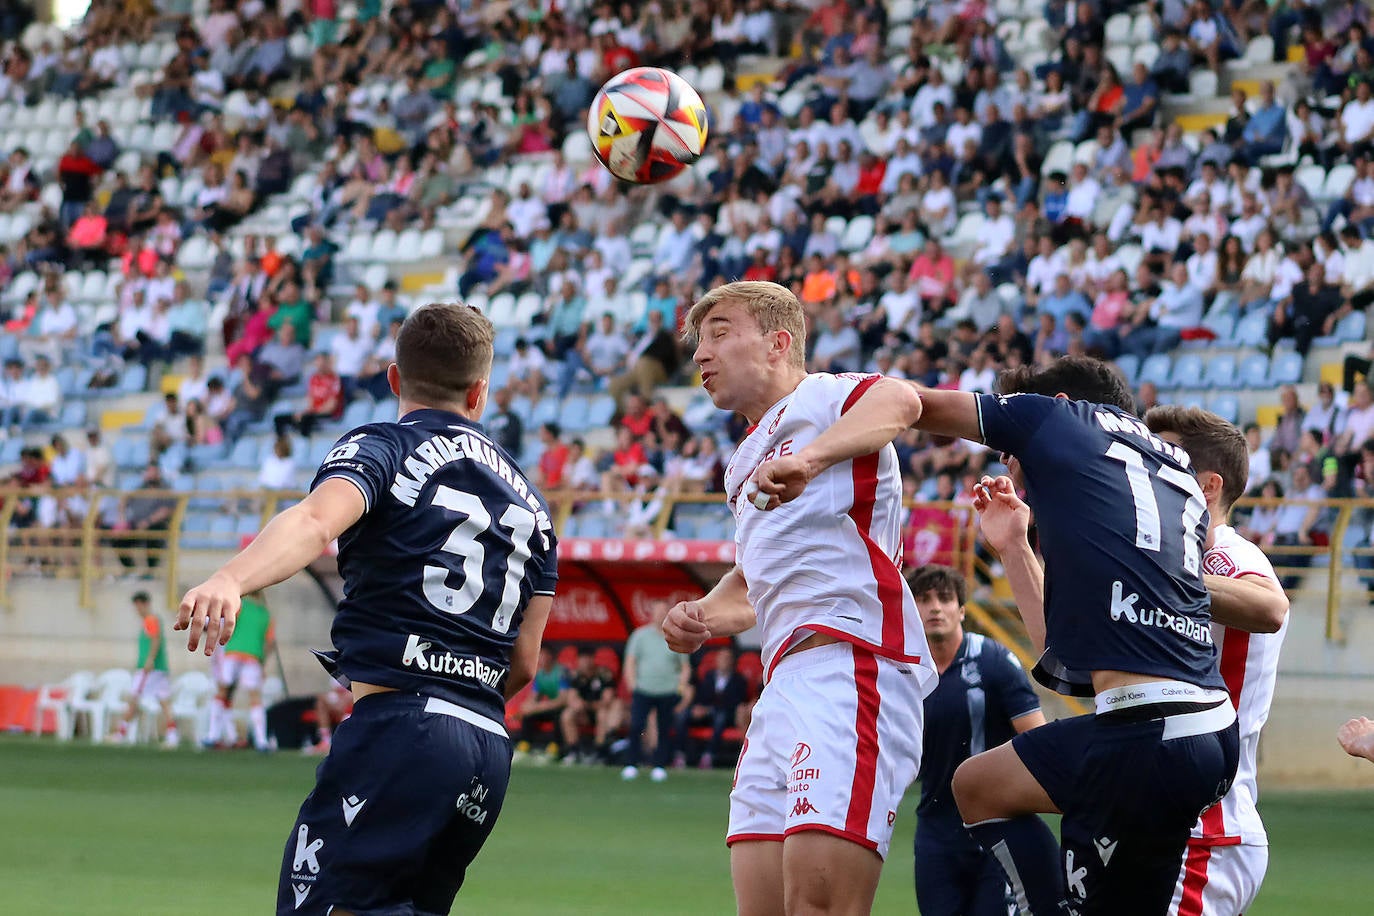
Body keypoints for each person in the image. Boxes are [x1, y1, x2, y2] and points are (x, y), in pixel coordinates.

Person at [175, 303, 558, 916]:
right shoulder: (535, 508)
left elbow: (315, 520)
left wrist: (230, 578)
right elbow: (524, 663)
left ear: (394, 379)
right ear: (480, 393)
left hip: (403, 730)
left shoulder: (385, 444)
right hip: (487, 745)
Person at [871, 356, 1238, 916]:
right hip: (1202, 727)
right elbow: (1072, 662)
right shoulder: (1167, 475)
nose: (1012, 464)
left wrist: (813, 422)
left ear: (1060, 405)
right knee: (979, 785)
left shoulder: (1062, 422)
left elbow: (913, 403)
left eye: (1012, 453)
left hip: (1145, 735)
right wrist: (1016, 546)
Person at [661, 281, 936, 915]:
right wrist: (701, 615)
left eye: (720, 334)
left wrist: (809, 459)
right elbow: (752, 585)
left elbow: (901, 400)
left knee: (820, 905)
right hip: (783, 682)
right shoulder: (740, 462)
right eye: (698, 343)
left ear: (779, 342)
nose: (701, 355)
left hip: (853, 661)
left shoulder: (825, 397)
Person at [1142, 406, 1289, 916]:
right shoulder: (1168, 557)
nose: (1145, 472)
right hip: (1163, 816)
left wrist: (1160, 577)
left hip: (1208, 829)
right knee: (982, 787)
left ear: (1207, 487)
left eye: (1162, 461)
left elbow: (1271, 606)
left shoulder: (1226, 556)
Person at [907, 564, 1049, 916]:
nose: (935, 608)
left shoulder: (994, 661)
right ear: (910, 609)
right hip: (935, 832)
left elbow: (1038, 741)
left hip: (996, 830)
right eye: (923, 600)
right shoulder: (904, 673)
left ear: (962, 610)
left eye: (945, 598)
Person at [621, 599, 690, 782]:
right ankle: (631, 764)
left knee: (664, 728)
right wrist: (632, 684)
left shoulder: (675, 636)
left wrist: (680, 687)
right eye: (657, 611)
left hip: (668, 690)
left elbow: (684, 667)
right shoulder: (640, 635)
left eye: (663, 612)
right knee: (636, 725)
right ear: (652, 614)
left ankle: (659, 765)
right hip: (643, 689)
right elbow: (630, 661)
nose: (660, 615)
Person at [206, 591, 277, 751]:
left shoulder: (238, 606)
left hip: (232, 653)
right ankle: (261, 741)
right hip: (253, 657)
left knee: (222, 692)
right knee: (255, 697)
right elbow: (270, 642)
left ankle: (213, 736)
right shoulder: (266, 614)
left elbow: (226, 625)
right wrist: (261, 661)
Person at [111, 592, 179, 748]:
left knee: (134, 698)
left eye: (137, 606)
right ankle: (172, 736)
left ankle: (121, 734)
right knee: (164, 701)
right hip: (159, 668)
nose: (137, 610)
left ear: (143, 604)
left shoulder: (150, 620)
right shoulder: (151, 621)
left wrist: (149, 660)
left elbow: (155, 640)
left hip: (150, 669)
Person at [674, 646, 749, 769]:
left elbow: (735, 702)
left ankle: (708, 756)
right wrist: (699, 708)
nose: (723, 661)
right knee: (683, 715)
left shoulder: (739, 680)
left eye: (727, 658)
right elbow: (702, 695)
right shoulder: (709, 676)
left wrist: (709, 709)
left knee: (720, 718)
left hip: (725, 714)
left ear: (732, 661)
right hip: (705, 711)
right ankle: (679, 754)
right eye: (721, 658)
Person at [559, 647, 622, 764]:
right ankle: (573, 751)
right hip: (584, 714)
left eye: (587, 659)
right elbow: (571, 698)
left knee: (602, 713)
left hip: (602, 712)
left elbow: (607, 700)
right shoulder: (576, 677)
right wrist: (577, 704)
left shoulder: (604, 675)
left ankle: (599, 751)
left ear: (593, 659)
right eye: (581, 659)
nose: (585, 663)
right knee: (567, 714)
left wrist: (587, 704)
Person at [511, 646, 570, 756]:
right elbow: (533, 697)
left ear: (551, 656)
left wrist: (538, 707)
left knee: (559, 715)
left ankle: (556, 746)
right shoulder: (540, 675)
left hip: (560, 708)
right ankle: (525, 744)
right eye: (539, 655)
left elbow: (562, 700)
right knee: (528, 714)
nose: (541, 658)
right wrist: (526, 708)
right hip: (547, 707)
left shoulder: (561, 672)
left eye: (544, 655)